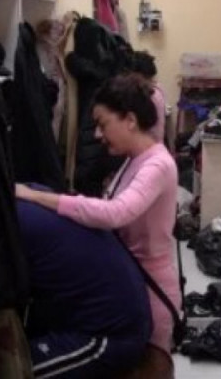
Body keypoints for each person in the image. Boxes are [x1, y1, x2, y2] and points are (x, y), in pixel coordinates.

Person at [16, 73, 180, 377]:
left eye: (103, 124)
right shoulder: (134, 160)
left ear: (130, 120)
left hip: (151, 288)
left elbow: (114, 213)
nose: (97, 135)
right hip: (129, 278)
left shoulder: (158, 164)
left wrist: (37, 197)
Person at [17, 195, 152, 379]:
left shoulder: (13, 221)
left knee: (8, 370)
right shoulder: (28, 198)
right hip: (90, 312)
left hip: (111, 335)